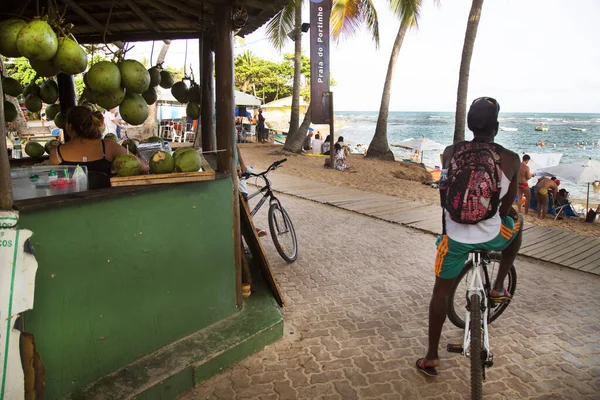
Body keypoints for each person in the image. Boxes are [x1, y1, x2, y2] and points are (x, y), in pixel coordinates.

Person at [417, 97, 523, 376]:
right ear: (497, 127)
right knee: (517, 224)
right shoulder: (511, 158)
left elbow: (444, 193)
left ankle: (431, 357)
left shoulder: (451, 152)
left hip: (455, 240)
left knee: (440, 293)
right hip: (493, 237)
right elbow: (506, 207)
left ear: (468, 125)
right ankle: (499, 284)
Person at [49, 106, 148, 188]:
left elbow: (53, 184)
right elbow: (143, 168)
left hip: (71, 206)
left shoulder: (56, 153)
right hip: (105, 203)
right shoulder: (108, 146)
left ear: (69, 127)